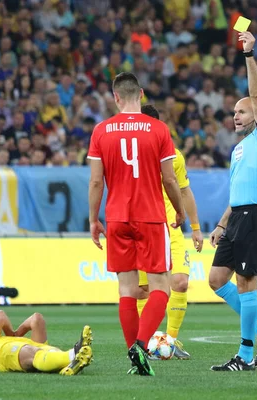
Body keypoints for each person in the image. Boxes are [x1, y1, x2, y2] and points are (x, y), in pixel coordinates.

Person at [87, 72, 185, 376]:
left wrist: (93, 219)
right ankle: (140, 347)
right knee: (161, 288)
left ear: (116, 97)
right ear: (140, 94)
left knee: (127, 290)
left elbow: (95, 183)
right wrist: (179, 211)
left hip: (117, 218)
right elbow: (169, 178)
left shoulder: (101, 131)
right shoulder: (158, 129)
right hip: (152, 216)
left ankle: (135, 357)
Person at [207, 31, 257, 372]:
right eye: (234, 112)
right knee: (216, 279)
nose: (236, 116)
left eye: (242, 111)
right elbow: (236, 188)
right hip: (238, 215)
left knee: (245, 282)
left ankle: (246, 354)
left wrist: (248, 55)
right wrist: (223, 222)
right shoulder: (238, 148)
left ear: (256, 113)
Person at [137, 104, 204, 360]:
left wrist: (196, 228)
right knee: (143, 290)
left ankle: (170, 339)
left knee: (180, 282)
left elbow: (185, 191)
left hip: (170, 226)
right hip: (140, 227)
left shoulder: (174, 156)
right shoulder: (129, 155)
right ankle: (147, 344)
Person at [0, 310, 92, 376]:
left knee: (47, 350)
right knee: (32, 351)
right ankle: (73, 354)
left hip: (23, 347)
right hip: (1, 353)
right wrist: (13, 334)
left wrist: (15, 335)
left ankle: (68, 363)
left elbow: (36, 319)